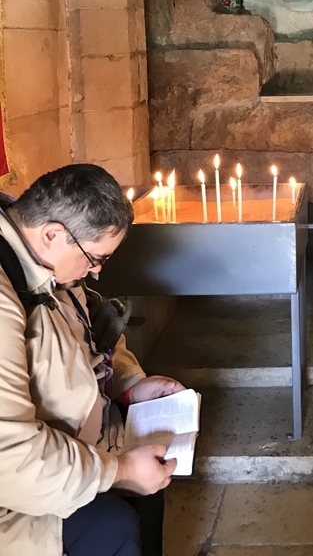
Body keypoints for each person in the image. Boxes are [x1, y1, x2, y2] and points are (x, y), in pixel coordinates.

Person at [0, 164, 184, 556]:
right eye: (94, 258)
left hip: (84, 447)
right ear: (52, 233)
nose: (96, 272)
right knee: (113, 528)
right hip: (18, 494)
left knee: (154, 482)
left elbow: (90, 340)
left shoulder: (48, 264)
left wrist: (131, 385)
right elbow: (9, 456)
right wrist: (121, 471)